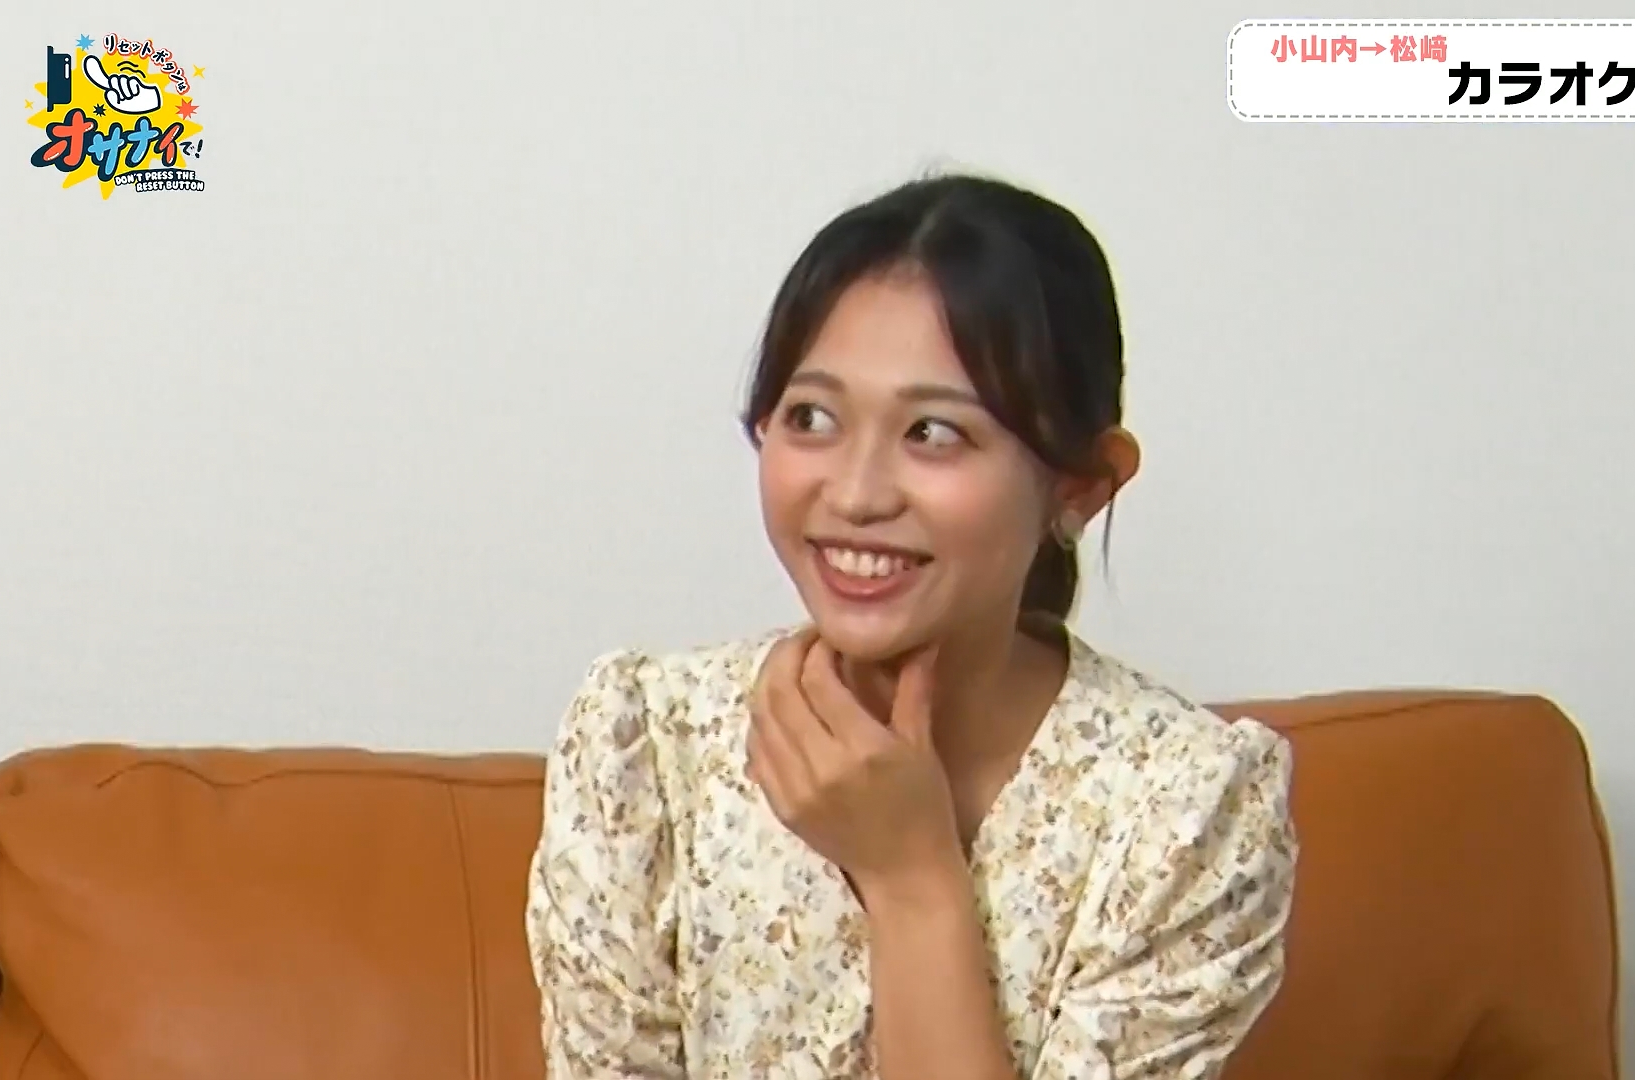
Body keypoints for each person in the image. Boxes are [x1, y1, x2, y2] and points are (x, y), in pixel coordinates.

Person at [525, 172, 1298, 1080]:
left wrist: (911, 879)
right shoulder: (645, 749)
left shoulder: (1185, 813)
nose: (856, 495)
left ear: (1080, 485)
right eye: (812, 418)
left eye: (933, 433)